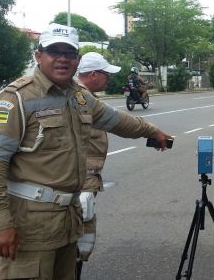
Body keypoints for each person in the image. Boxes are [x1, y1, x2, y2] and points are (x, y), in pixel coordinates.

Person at [0, 23, 172, 279]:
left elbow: (115, 120)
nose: (62, 58)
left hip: (68, 220)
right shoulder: (16, 99)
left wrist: (151, 131)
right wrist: (0, 223)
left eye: (69, 53)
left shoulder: (78, 96)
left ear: (77, 60)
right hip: (30, 225)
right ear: (38, 56)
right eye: (53, 51)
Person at [75, 52, 121, 278]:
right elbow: (121, 123)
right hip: (79, 180)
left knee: (82, 238)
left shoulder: (86, 98)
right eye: (105, 74)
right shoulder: (79, 99)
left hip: (86, 179)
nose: (108, 79)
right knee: (76, 239)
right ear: (93, 74)